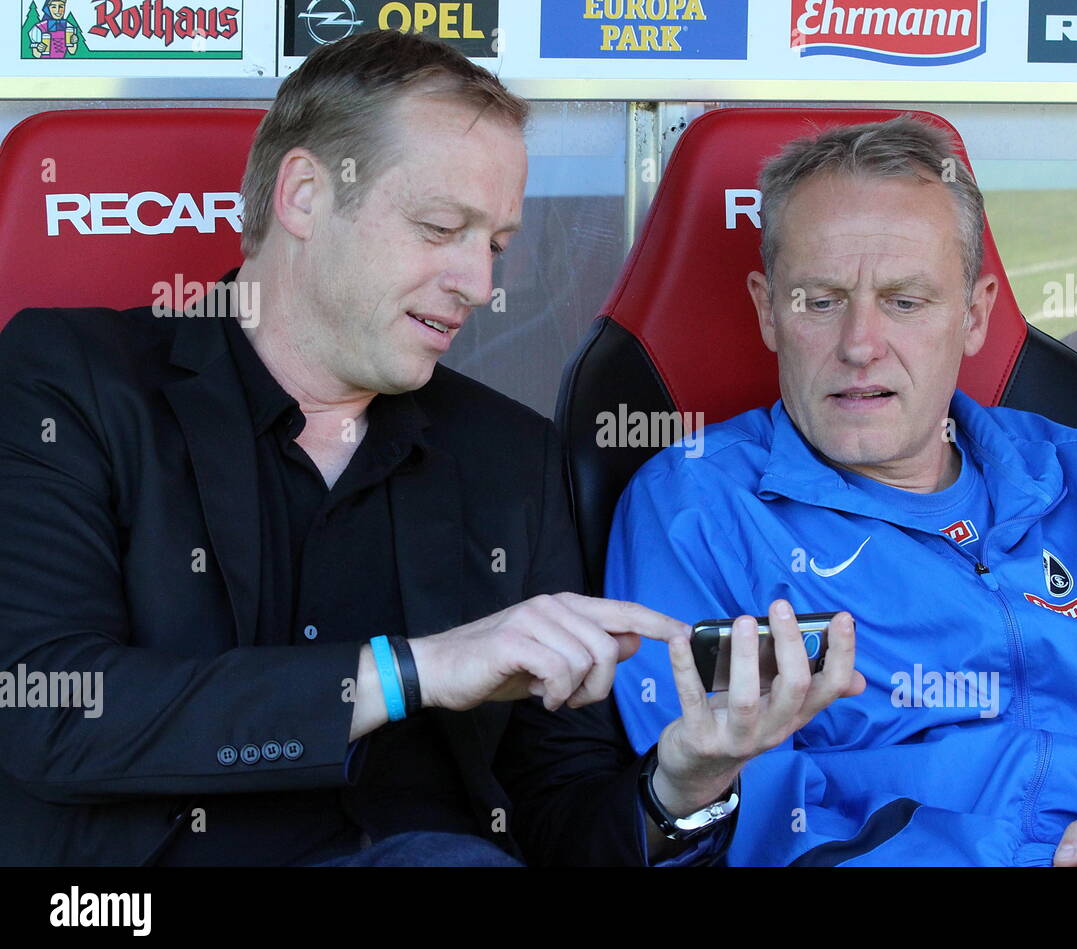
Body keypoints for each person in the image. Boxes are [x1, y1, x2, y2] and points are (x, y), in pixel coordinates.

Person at [0, 30, 861, 866]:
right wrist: (413, 670)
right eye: (440, 227)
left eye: (495, 245)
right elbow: (47, 708)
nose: (480, 285)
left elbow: (556, 811)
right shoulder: (70, 382)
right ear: (304, 196)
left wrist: (686, 781)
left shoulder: (510, 457)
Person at [606, 116, 1077, 866]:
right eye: (820, 300)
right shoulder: (697, 511)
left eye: (906, 301)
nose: (861, 343)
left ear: (974, 316)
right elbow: (715, 815)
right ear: (767, 308)